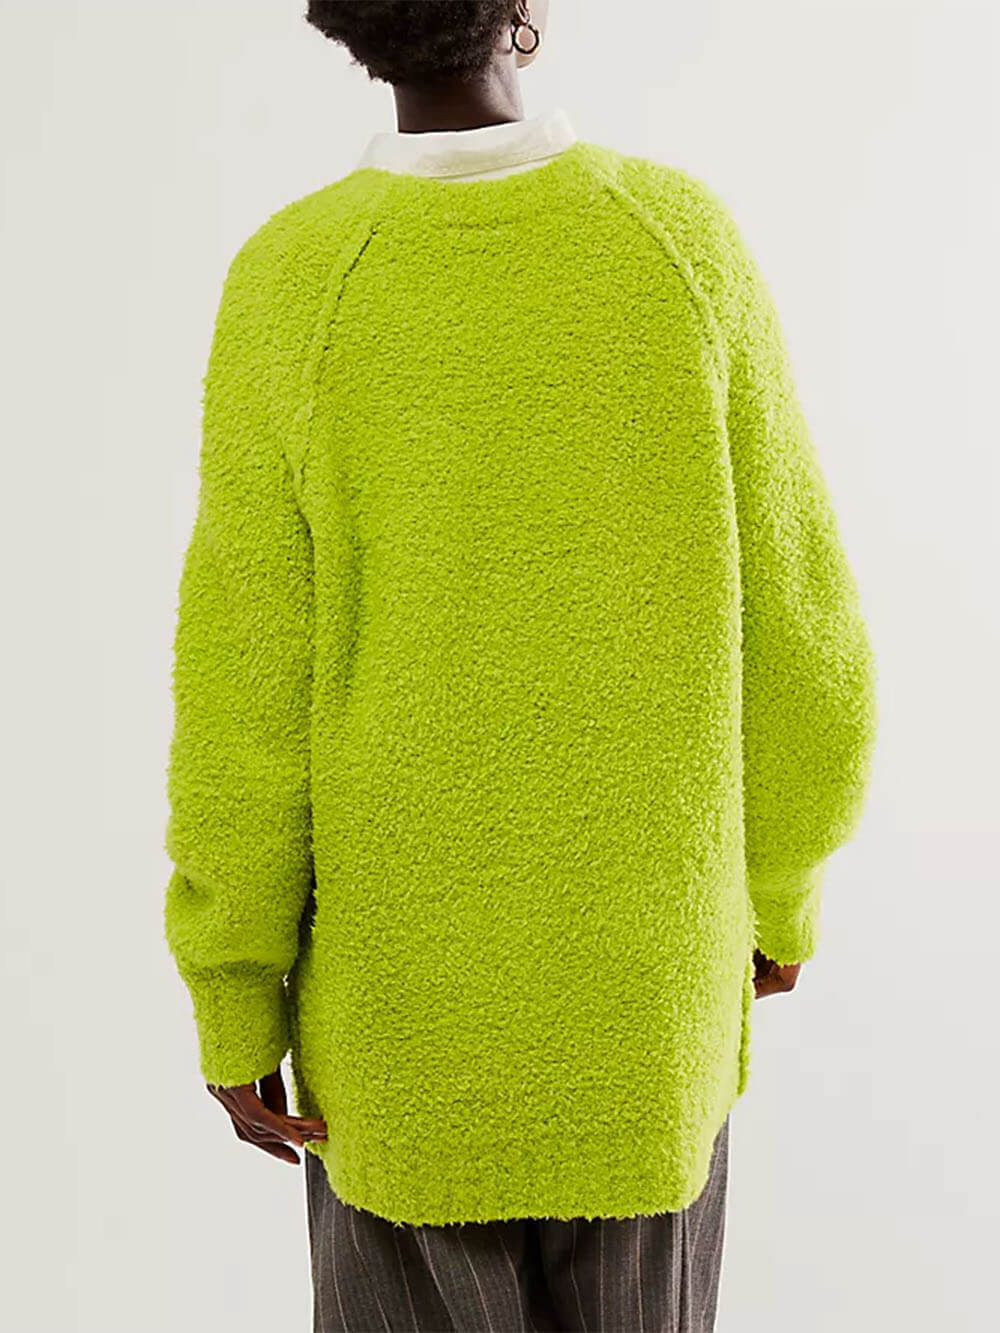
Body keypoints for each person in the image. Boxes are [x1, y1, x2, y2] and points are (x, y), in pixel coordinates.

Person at [162, 2, 878, 1329]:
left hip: (403, 1039)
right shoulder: (678, 243)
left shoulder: (294, 279)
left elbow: (242, 696)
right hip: (646, 1014)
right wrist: (778, 899)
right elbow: (806, 640)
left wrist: (233, 989)